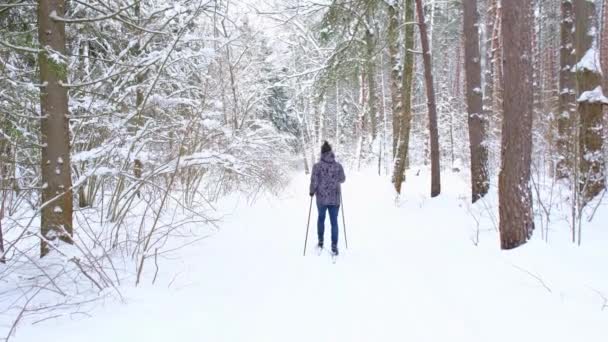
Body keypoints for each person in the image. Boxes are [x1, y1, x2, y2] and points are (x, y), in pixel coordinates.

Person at [309, 141, 346, 256]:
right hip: (335, 199)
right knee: (334, 222)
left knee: (321, 219)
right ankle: (334, 246)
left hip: (321, 199)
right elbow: (342, 179)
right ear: (331, 152)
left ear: (322, 153)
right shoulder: (338, 166)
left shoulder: (317, 166)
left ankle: (320, 242)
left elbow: (314, 181)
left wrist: (311, 191)